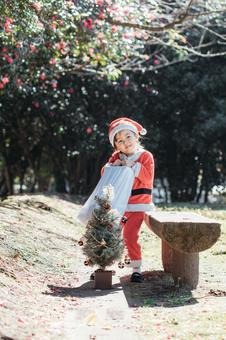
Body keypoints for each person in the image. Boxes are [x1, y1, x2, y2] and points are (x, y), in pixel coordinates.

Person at [103, 117, 155, 283]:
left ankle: (136, 268)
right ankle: (107, 266)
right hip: (120, 205)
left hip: (138, 205)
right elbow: (104, 174)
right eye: (119, 140)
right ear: (115, 145)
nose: (125, 142)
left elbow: (147, 178)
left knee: (130, 235)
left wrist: (133, 166)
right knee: (112, 233)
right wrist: (114, 166)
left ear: (136, 137)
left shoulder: (145, 156)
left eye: (128, 137)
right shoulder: (116, 157)